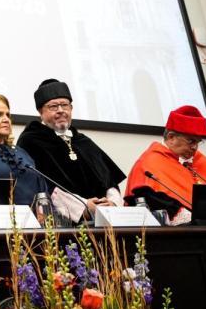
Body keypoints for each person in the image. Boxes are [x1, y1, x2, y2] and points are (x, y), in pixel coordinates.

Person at [16, 79, 125, 222]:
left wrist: (113, 203)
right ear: (41, 112)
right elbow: (40, 185)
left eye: (65, 105)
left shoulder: (83, 141)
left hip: (105, 219)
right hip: (62, 223)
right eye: (53, 106)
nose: (61, 110)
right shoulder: (30, 141)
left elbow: (109, 180)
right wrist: (83, 207)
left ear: (71, 108)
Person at [125, 105, 206, 224]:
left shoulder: (197, 159)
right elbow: (154, 201)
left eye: (198, 142)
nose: (195, 147)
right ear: (171, 138)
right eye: (191, 141)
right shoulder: (149, 162)